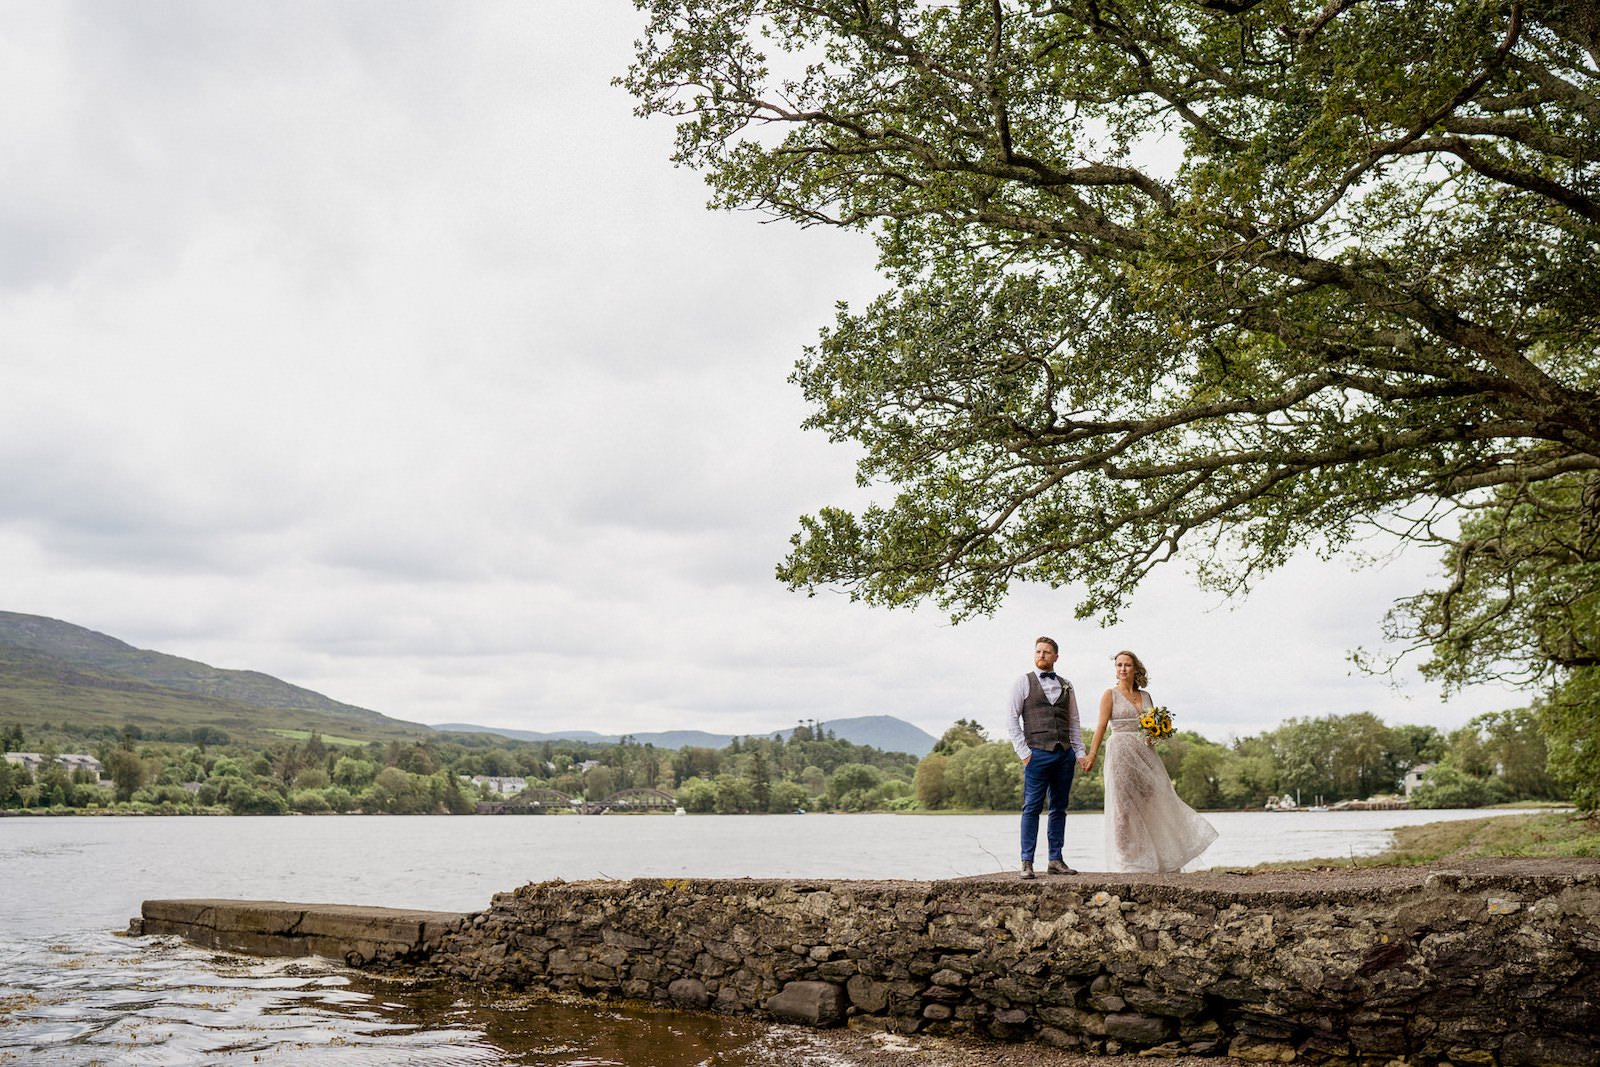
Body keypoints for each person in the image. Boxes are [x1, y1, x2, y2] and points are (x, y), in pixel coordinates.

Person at [1078, 650, 1217, 872]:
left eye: (1127, 665)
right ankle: (1127, 860)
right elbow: (1101, 727)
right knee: (1123, 808)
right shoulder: (1109, 695)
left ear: (1135, 669)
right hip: (1121, 753)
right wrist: (1091, 754)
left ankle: (1157, 857)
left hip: (1145, 752)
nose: (1122, 669)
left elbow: (1152, 725)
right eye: (1119, 665)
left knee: (1154, 801)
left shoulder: (1146, 696)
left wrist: (1157, 733)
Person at [1005, 636, 1082, 880]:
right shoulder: (1023, 682)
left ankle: (1055, 859)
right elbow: (1011, 718)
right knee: (1032, 807)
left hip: (1064, 755)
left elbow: (1074, 722)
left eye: (1047, 652)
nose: (1041, 655)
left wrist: (1078, 752)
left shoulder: (1067, 685)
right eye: (1038, 651)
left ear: (1056, 657)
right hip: (1036, 753)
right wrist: (1024, 753)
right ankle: (1027, 862)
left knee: (1059, 807)